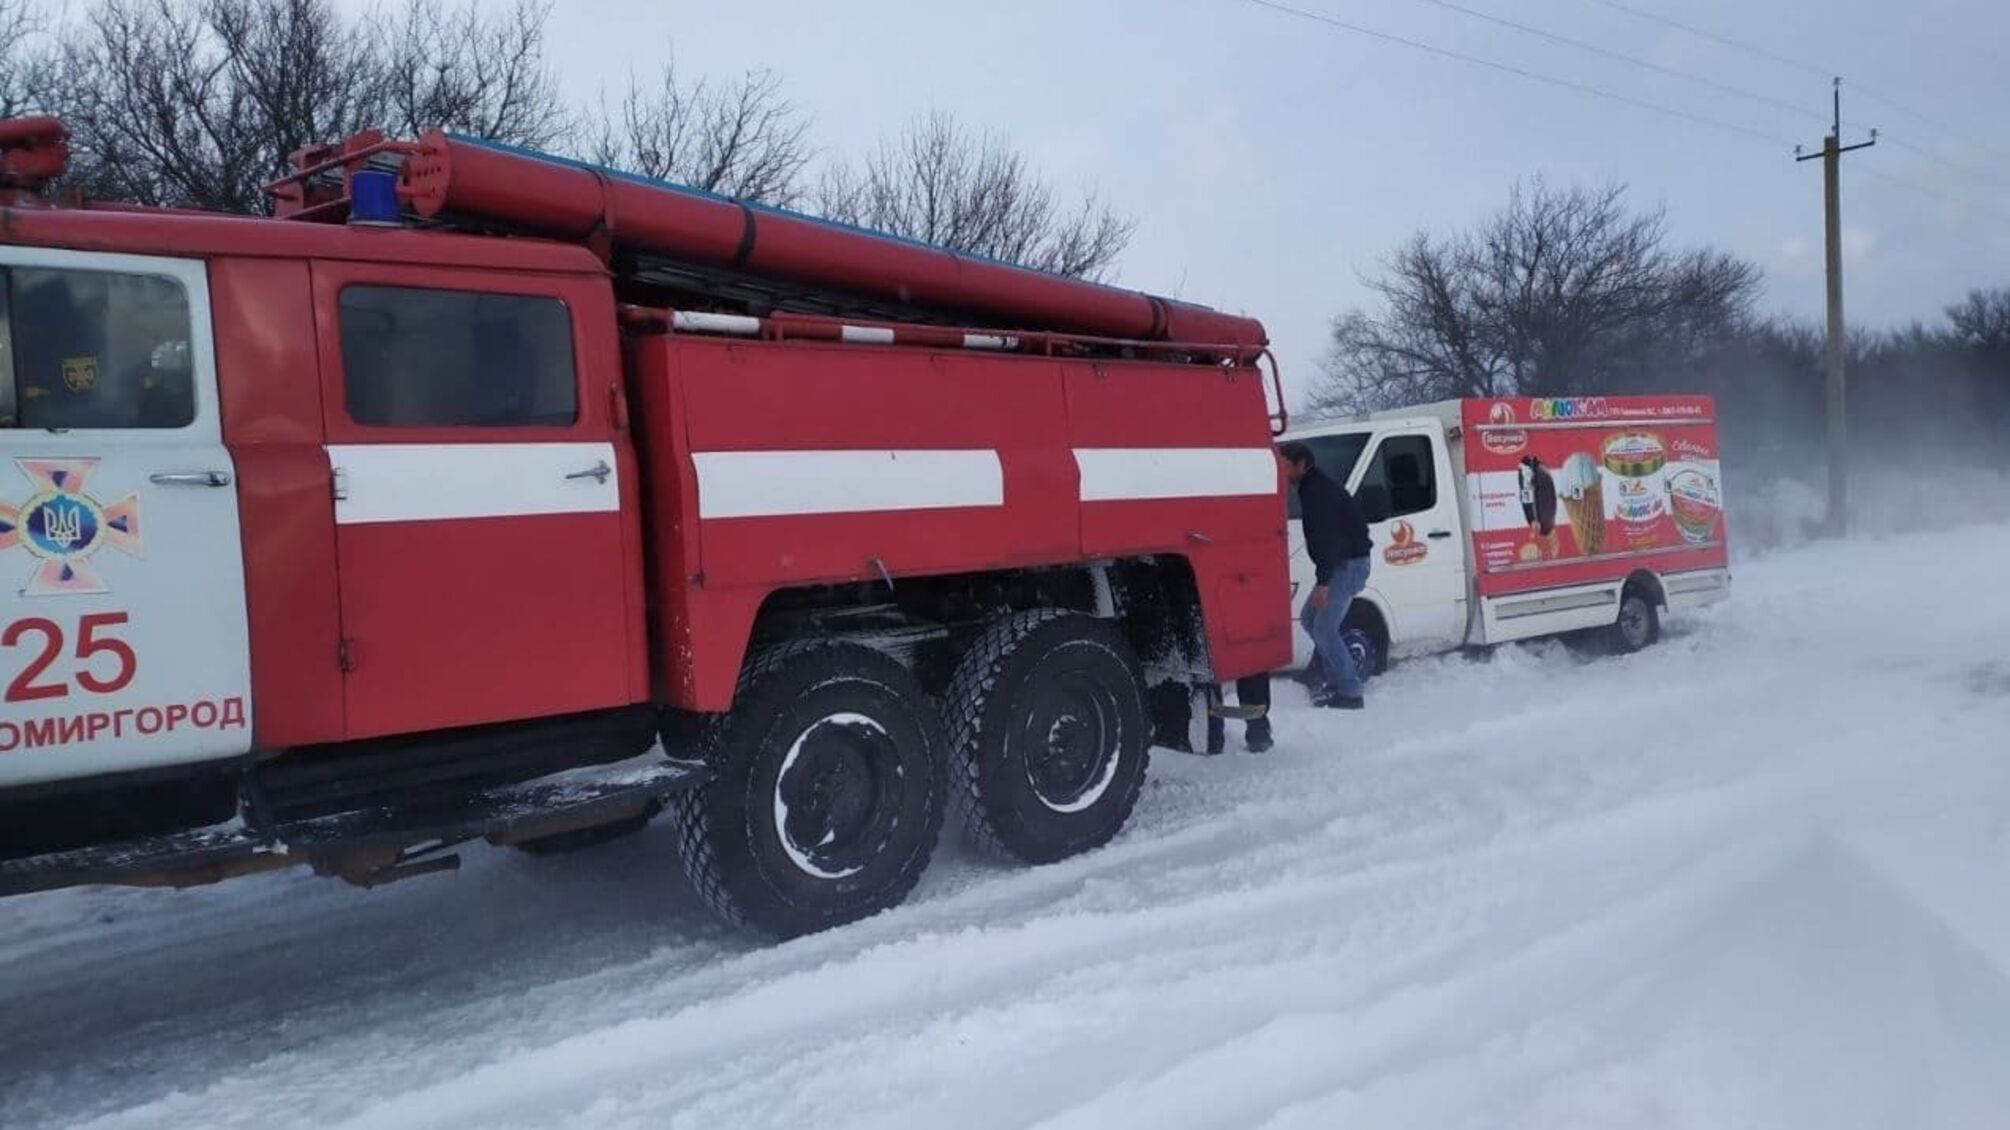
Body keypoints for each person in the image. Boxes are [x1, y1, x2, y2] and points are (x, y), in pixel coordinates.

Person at [1279, 441, 1373, 709]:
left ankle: (1351, 692)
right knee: (1311, 619)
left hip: (1348, 564)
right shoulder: (1310, 488)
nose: (1280, 471)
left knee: (1324, 627)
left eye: (1284, 465)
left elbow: (1329, 538)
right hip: (1340, 563)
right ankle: (1336, 678)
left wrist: (1323, 582)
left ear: (1301, 464)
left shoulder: (1320, 492)